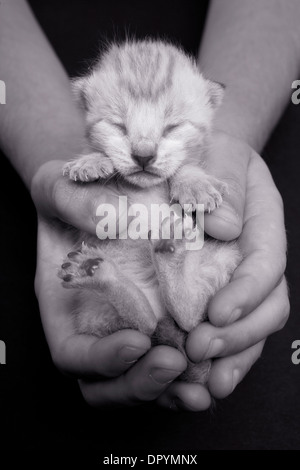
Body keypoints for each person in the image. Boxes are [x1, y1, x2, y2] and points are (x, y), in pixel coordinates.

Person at [0, 0, 293, 411]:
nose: (142, 151)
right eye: (118, 127)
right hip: (131, 288)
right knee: (122, 318)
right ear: (84, 104)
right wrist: (67, 167)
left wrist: (203, 172)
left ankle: (165, 283)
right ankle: (121, 285)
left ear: (211, 106)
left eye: (171, 128)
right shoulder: (103, 156)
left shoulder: (190, 159)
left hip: (193, 281)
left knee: (218, 267)